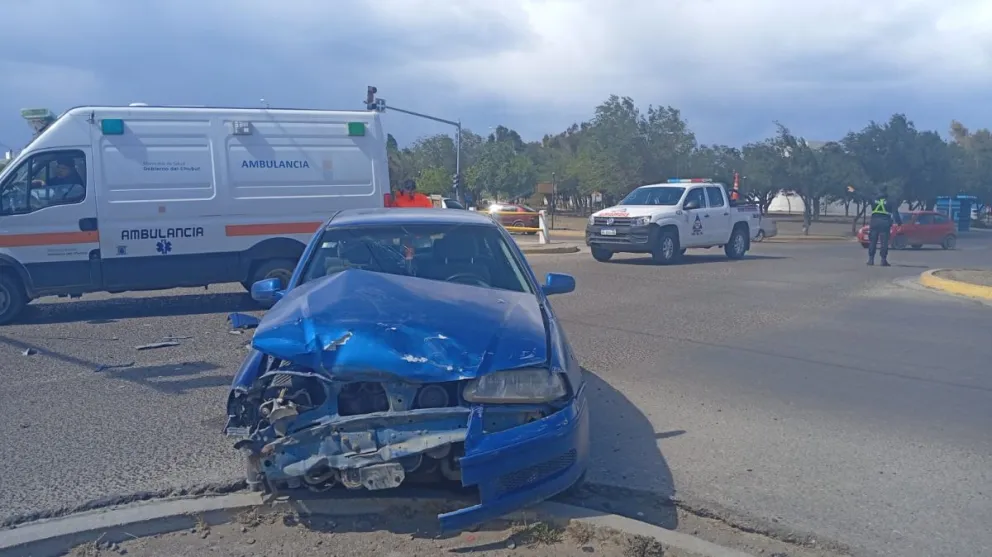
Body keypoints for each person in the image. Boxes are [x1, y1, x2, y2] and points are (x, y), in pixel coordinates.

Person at [850, 185, 902, 266]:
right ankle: (883, 260)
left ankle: (871, 260)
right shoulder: (891, 201)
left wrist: (854, 191)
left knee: (872, 241)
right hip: (885, 223)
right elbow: (895, 213)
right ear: (886, 190)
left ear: (879, 190)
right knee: (884, 242)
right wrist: (899, 223)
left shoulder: (873, 198)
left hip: (874, 222)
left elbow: (863, 195)